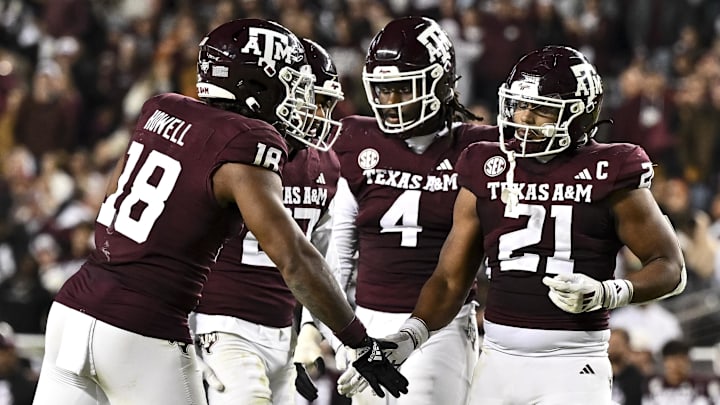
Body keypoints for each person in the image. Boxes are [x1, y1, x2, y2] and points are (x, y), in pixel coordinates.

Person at [31, 19, 407, 405]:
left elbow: (110, 206)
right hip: (143, 327)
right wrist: (359, 342)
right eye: (293, 84)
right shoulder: (247, 141)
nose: (298, 98)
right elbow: (294, 259)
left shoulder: (162, 107)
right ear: (257, 85)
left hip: (73, 310)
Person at [347, 45, 687, 404]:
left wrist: (608, 292)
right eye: (518, 105)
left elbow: (671, 268)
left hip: (572, 364)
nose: (523, 119)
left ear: (579, 115)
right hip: (497, 362)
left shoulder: (610, 169)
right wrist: (408, 337)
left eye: (539, 110)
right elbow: (449, 279)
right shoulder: (485, 162)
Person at [329, 16, 494, 404]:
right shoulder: (355, 138)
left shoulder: (479, 148)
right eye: (383, 91)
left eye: (402, 89)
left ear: (440, 84)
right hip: (366, 320)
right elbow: (339, 247)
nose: (389, 102)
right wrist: (334, 328)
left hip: (441, 324)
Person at [192, 37, 345, 405]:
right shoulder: (238, 156)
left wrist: (308, 330)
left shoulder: (325, 166)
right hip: (219, 324)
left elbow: (322, 262)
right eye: (316, 100)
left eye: (328, 103)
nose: (322, 115)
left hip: (280, 332)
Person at [643, 339, 720, 404]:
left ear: (688, 361)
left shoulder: (704, 384)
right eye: (673, 360)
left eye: (681, 360)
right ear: (664, 362)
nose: (677, 366)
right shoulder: (653, 385)